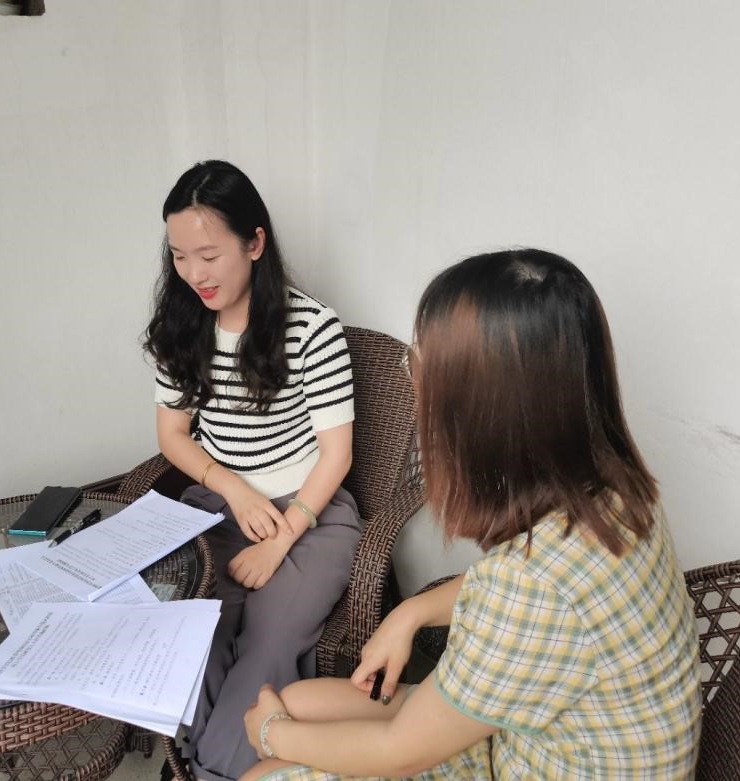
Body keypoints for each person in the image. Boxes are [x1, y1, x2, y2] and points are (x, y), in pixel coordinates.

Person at [241, 249, 702, 780]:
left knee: (263, 770)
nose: (413, 381)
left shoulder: (528, 586)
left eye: (421, 365)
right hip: (538, 734)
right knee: (300, 700)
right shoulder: (611, 488)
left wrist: (272, 733)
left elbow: (399, 752)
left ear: (481, 410)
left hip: (528, 763)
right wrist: (408, 614)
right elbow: (532, 592)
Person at [143, 160, 361, 781]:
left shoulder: (311, 328)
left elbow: (337, 455)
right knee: (197, 629)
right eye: (179, 257)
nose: (194, 274)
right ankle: (203, 764)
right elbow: (172, 436)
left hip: (311, 512)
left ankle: (206, 773)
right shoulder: (182, 327)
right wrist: (234, 491)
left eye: (209, 255)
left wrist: (282, 538)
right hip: (218, 507)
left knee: (270, 643)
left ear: (255, 243)